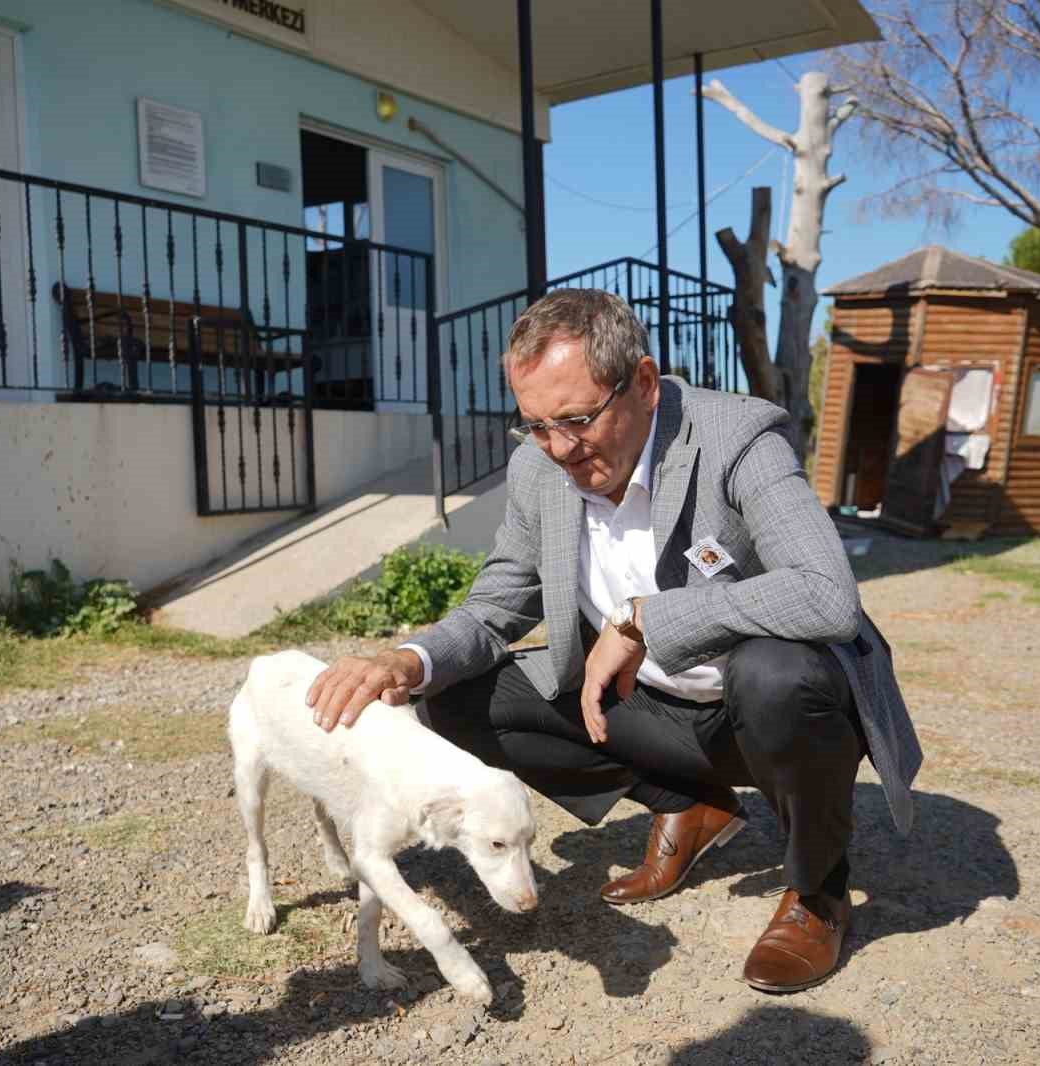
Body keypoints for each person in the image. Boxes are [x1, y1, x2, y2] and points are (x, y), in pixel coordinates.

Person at [305, 289, 920, 992]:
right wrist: (405, 659)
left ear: (646, 384)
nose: (560, 448)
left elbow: (827, 595)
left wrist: (643, 620)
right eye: (535, 425)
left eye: (577, 419)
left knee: (774, 673)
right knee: (453, 696)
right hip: (655, 709)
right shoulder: (542, 468)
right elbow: (496, 603)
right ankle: (687, 805)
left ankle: (819, 890)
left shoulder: (738, 440)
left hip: (775, 708)